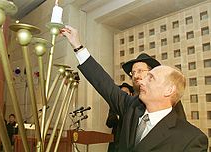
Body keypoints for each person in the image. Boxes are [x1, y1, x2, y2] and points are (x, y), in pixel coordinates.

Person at [60, 26, 208, 151]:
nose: (140, 80)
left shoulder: (192, 139)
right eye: (133, 73)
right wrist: (77, 45)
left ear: (168, 90)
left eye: (150, 77)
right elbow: (103, 82)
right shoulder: (131, 107)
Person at [122, 53, 187, 120]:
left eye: (140, 71)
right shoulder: (133, 100)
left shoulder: (167, 99)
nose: (135, 76)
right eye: (133, 73)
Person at [106, 83, 134, 152]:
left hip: (128, 143)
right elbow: (109, 124)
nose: (123, 96)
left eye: (125, 93)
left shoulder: (134, 107)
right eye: (121, 93)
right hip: (115, 143)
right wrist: (117, 115)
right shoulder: (114, 107)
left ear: (130, 94)